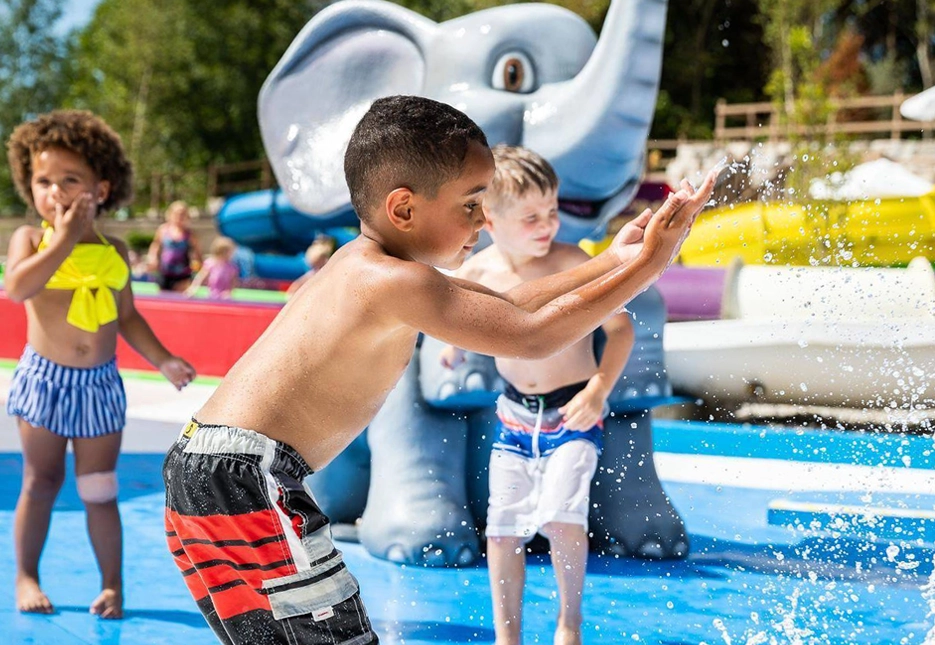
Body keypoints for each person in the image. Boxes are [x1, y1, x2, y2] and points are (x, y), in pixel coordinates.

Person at [161, 95, 715, 645]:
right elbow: (532, 336)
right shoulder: (398, 282)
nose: (482, 220)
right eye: (471, 204)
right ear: (403, 209)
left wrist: (613, 261)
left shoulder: (367, 266)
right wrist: (650, 265)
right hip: (244, 476)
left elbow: (514, 303)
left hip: (207, 468)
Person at [3, 110, 197, 619]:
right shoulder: (31, 239)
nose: (55, 191)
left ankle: (113, 586)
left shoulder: (112, 251)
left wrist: (164, 360)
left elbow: (128, 317)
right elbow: (18, 287)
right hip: (45, 381)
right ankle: (26, 575)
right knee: (40, 482)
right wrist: (63, 239)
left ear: (101, 188)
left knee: (99, 488)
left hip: (100, 385)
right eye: (44, 180)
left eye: (71, 179)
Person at [438, 145, 634, 645]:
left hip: (574, 411)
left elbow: (621, 330)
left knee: (561, 517)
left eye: (551, 211)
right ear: (490, 219)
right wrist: (452, 348)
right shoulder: (477, 273)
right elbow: (451, 314)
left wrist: (599, 388)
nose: (548, 225)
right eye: (531, 217)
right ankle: (509, 637)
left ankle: (569, 624)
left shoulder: (572, 262)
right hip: (513, 417)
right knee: (503, 531)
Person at [148, 200, 202, 292]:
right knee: (163, 301)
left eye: (183, 214)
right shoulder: (163, 230)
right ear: (170, 214)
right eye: (177, 214)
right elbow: (155, 246)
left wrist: (197, 264)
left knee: (179, 301)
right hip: (165, 272)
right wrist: (152, 258)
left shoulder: (189, 234)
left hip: (183, 274)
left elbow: (197, 252)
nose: (180, 217)